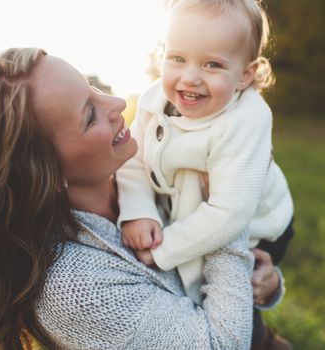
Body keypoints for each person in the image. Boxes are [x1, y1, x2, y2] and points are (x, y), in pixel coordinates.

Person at [0, 48, 284, 350]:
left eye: (93, 87)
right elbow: (222, 344)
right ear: (44, 173)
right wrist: (227, 203)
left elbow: (219, 269)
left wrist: (261, 284)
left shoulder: (145, 165)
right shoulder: (70, 288)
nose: (117, 103)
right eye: (90, 115)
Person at [116, 0, 294, 347]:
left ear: (245, 74)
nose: (190, 77)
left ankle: (262, 341)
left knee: (233, 286)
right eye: (177, 58)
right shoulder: (153, 100)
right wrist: (138, 211)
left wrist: (163, 251)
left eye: (213, 64)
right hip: (187, 206)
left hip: (259, 223)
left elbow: (229, 215)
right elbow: (133, 161)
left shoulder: (247, 119)